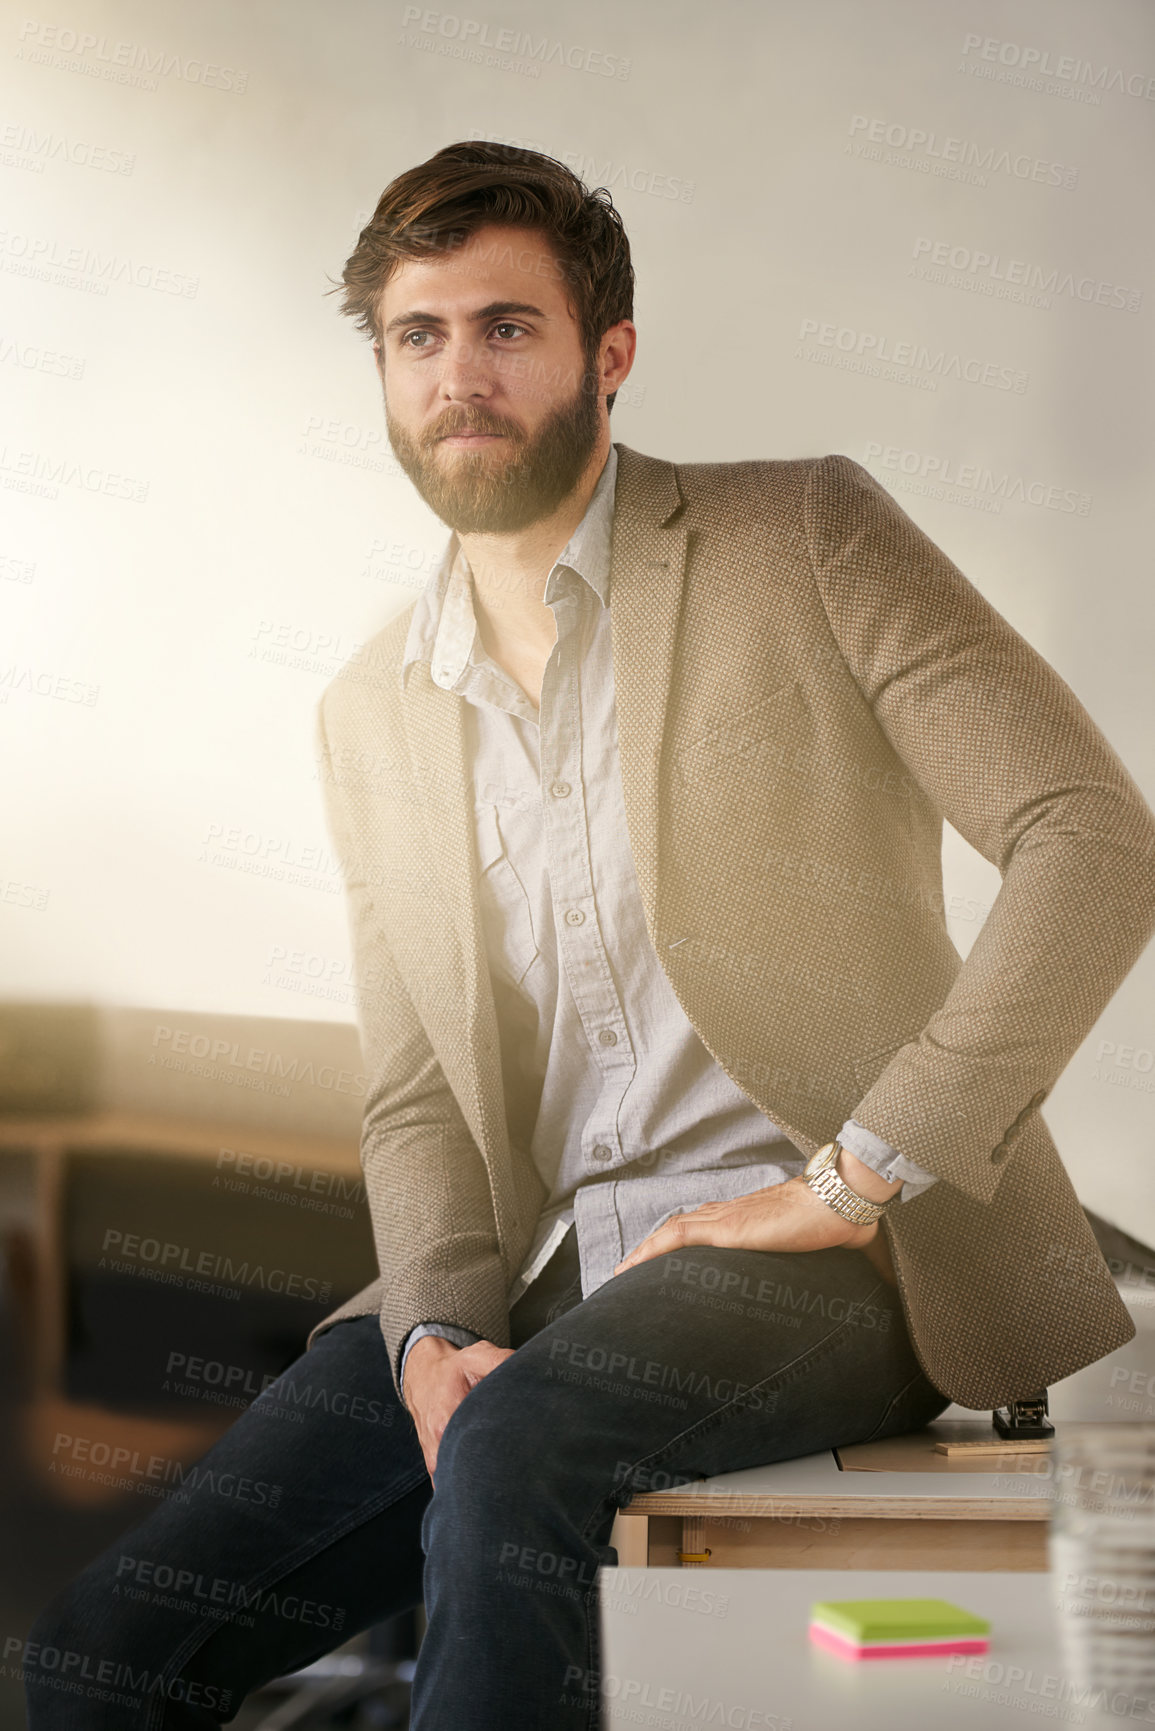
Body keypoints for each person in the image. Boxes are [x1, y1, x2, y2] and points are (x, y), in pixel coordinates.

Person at [25, 139, 1155, 1730]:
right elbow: (417, 1090)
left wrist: (856, 1177)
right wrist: (423, 1332)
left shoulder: (804, 538)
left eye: (505, 327)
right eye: (419, 337)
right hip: (536, 1281)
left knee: (515, 1454)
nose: (458, 376)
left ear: (607, 355)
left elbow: (1092, 840)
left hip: (840, 1261)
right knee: (87, 1662)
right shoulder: (370, 709)